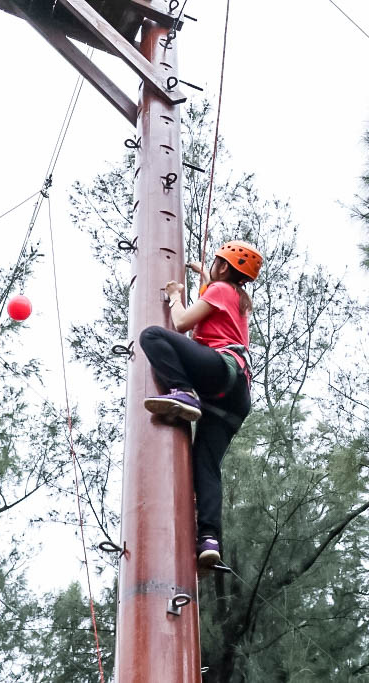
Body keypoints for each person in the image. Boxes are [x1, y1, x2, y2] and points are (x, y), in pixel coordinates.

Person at [138, 240, 262, 568]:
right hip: (235, 397)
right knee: (204, 466)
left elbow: (180, 323)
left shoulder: (221, 289)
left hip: (221, 371)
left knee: (152, 335)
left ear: (224, 267)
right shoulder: (237, 298)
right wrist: (205, 275)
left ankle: (182, 390)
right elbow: (215, 308)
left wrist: (177, 296)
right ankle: (209, 539)